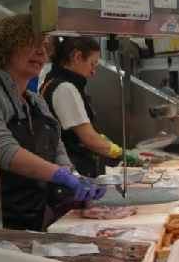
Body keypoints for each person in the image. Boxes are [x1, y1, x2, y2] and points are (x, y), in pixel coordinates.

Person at [0, 14, 105, 233]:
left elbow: (57, 149)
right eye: (32, 44)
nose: (41, 52)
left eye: (44, 46)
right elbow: (2, 150)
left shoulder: (35, 101)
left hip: (26, 219)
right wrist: (60, 175)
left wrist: (73, 179)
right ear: (8, 46)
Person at [39, 37, 139, 208]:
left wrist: (105, 140)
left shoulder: (51, 80)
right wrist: (119, 152)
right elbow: (88, 138)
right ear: (77, 57)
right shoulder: (65, 88)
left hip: (71, 176)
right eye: (92, 64)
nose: (93, 71)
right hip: (72, 180)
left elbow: (85, 129)